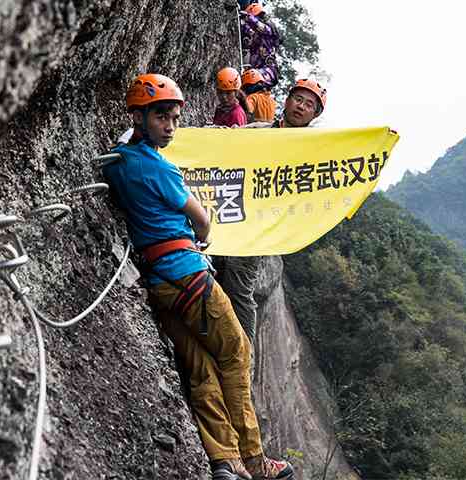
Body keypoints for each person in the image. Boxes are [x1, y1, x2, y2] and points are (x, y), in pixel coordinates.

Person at [102, 73, 294, 480]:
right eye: (161, 117)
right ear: (140, 116)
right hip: (190, 275)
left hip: (158, 283)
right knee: (237, 353)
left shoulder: (119, 162)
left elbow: (124, 146)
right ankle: (256, 461)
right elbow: (202, 221)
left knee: (201, 368)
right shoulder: (160, 168)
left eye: (173, 117)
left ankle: (225, 460)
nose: (170, 126)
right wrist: (203, 238)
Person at [216, 78, 326, 355]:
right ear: (287, 100)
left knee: (240, 284)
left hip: (261, 225)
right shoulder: (259, 130)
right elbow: (226, 143)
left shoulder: (312, 150)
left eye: (309, 104)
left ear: (314, 115)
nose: (301, 106)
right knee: (215, 265)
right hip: (231, 208)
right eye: (298, 99)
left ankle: (243, 357)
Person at [240, 2, 281, 89]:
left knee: (251, 79)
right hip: (255, 72)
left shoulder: (269, 32)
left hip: (269, 71)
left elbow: (261, 27)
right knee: (245, 82)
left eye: (260, 17)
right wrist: (241, 21)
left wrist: (248, 17)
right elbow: (247, 29)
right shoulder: (254, 35)